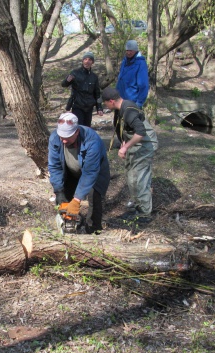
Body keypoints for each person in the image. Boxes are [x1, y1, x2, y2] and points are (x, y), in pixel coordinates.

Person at [102, 87, 158, 222]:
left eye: (105, 103)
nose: (104, 106)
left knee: (139, 177)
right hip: (135, 144)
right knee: (131, 176)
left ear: (111, 101)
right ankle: (137, 206)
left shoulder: (129, 111)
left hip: (144, 144)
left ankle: (144, 213)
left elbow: (140, 132)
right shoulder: (119, 109)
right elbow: (125, 129)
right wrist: (124, 143)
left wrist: (125, 147)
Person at [48, 112, 110, 234]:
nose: (64, 140)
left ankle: (93, 231)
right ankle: (70, 226)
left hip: (95, 173)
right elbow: (54, 166)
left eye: (67, 137)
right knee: (65, 199)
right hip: (71, 171)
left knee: (94, 200)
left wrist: (77, 200)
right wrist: (58, 191)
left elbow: (90, 172)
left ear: (76, 132)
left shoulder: (92, 140)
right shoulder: (55, 137)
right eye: (62, 137)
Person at [61, 51, 104, 127]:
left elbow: (97, 93)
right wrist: (67, 80)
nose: (87, 62)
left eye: (90, 60)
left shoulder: (94, 77)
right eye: (85, 59)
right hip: (78, 105)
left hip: (89, 106)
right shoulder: (75, 73)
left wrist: (99, 108)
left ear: (92, 62)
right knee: (79, 127)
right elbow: (64, 85)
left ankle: (85, 139)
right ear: (82, 61)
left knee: (87, 128)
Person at [117, 40, 149, 108]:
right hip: (120, 100)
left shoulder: (140, 63)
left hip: (132, 102)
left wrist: (139, 103)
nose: (128, 52)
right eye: (127, 50)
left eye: (131, 50)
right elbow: (120, 79)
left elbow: (143, 85)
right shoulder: (125, 61)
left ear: (135, 50)